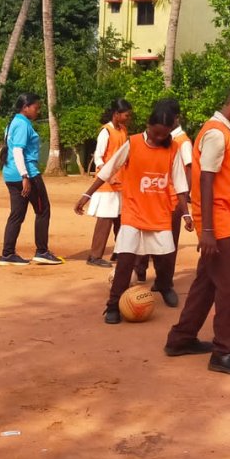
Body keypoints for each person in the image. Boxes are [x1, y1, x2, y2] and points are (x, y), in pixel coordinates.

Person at [164, 82, 230, 376]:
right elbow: (206, 180)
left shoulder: (226, 134)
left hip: (220, 219)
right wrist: (207, 229)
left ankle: (180, 338)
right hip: (215, 223)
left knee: (206, 284)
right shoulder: (216, 134)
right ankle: (225, 351)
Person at [75, 99, 192, 316]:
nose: (159, 138)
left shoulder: (174, 148)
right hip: (133, 213)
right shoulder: (133, 143)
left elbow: (180, 184)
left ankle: (165, 286)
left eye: (164, 135)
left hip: (159, 214)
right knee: (125, 260)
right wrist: (87, 194)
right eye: (156, 133)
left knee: (164, 258)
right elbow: (108, 169)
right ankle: (113, 304)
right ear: (148, 125)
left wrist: (185, 213)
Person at [0, 93, 62, 266]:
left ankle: (7, 254)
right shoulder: (22, 124)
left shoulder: (13, 123)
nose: (37, 111)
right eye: (36, 107)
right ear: (25, 107)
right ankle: (42, 251)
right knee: (43, 210)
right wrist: (25, 176)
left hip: (10, 174)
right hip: (26, 175)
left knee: (17, 215)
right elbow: (18, 151)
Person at [133, 97, 192, 282]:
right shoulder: (152, 139)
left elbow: (188, 169)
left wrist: (184, 200)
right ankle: (139, 271)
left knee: (167, 244)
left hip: (172, 201)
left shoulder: (182, 142)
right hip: (151, 197)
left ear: (176, 118)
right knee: (142, 235)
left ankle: (164, 281)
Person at [85, 98, 131, 268]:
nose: (128, 118)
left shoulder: (123, 130)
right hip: (107, 183)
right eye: (126, 115)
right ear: (116, 114)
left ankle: (120, 252)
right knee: (105, 220)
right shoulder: (106, 132)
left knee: (121, 219)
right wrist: (107, 174)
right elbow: (98, 156)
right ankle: (95, 256)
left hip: (121, 182)